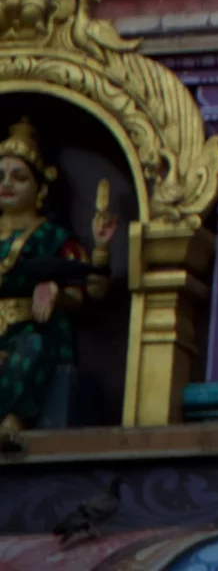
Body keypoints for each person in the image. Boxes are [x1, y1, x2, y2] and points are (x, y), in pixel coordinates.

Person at [0, 117, 115, 432]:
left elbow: (90, 291)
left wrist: (55, 290)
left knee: (34, 349)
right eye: (0, 176)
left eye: (19, 177)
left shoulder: (54, 236)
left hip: (27, 335)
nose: (6, 184)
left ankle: (11, 421)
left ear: (40, 189)